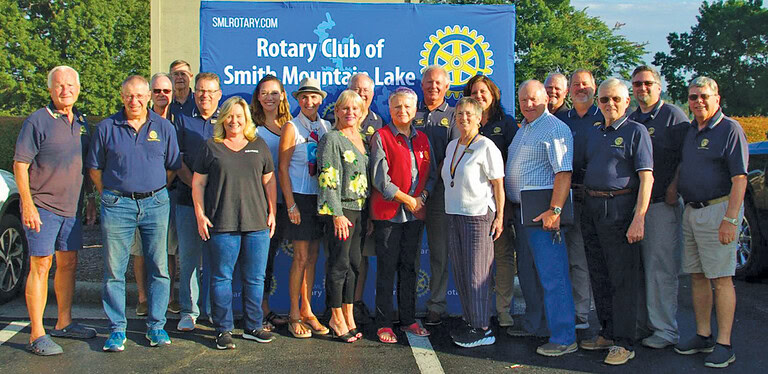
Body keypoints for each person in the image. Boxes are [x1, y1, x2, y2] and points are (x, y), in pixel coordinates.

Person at [86, 75, 180, 352]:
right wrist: (110, 194)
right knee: (114, 270)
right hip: (118, 205)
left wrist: (153, 188)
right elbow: (94, 168)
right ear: (121, 96)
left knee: (160, 268)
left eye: (140, 96)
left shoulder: (163, 127)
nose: (134, 101)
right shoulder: (106, 127)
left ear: (149, 97)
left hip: (155, 204)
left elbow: (173, 166)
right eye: (129, 95)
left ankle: (156, 326)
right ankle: (117, 330)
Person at [13, 65, 97, 356]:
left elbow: (85, 167)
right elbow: (20, 165)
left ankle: (64, 322)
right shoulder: (36, 121)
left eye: (71, 85)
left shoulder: (82, 123)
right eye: (60, 86)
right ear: (50, 89)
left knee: (69, 264)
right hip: (43, 208)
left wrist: (89, 200)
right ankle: (37, 333)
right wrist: (27, 204)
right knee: (41, 265)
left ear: (78, 88)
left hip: (71, 210)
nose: (66, 90)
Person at [577, 78, 653, 365]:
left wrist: (639, 217)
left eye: (616, 99)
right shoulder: (596, 133)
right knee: (599, 274)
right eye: (605, 100)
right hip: (592, 207)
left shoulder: (636, 131)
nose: (610, 104)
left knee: (623, 279)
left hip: (620, 209)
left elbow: (647, 178)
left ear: (626, 102)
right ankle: (607, 332)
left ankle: (624, 342)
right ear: (599, 103)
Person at [191, 96, 277, 350]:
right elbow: (198, 183)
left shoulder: (258, 145)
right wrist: (200, 213)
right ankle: (223, 330)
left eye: (239, 116)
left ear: (246, 119)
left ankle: (252, 326)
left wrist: (272, 212)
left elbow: (269, 181)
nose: (234, 121)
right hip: (222, 223)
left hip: (257, 224)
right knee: (221, 278)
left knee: (254, 279)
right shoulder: (211, 146)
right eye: (230, 116)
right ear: (223, 119)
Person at [673, 77, 747, 369]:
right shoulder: (691, 130)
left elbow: (739, 179)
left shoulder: (730, 130)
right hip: (691, 211)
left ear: (717, 97)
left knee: (721, 278)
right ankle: (703, 335)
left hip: (718, 212)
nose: (698, 102)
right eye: (692, 97)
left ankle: (724, 343)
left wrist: (731, 219)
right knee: (697, 275)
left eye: (703, 96)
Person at [505, 80, 578, 356]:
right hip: (523, 213)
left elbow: (563, 173)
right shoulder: (525, 128)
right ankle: (535, 324)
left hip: (543, 213)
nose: (528, 104)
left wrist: (555, 210)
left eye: (533, 99)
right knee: (528, 274)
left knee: (553, 276)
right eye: (523, 100)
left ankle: (563, 337)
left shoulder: (555, 128)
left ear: (546, 98)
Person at [628, 65, 690, 349]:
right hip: (633, 207)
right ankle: (642, 326)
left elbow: (685, 157)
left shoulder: (673, 117)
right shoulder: (631, 118)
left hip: (660, 205)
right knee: (638, 270)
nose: (642, 88)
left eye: (647, 83)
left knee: (660, 268)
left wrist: (674, 186)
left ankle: (666, 330)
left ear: (659, 86)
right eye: (638, 84)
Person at [370, 87, 434, 344]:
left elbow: (431, 175)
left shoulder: (423, 139)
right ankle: (384, 323)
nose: (402, 111)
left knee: (410, 268)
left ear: (415, 109)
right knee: (386, 269)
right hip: (389, 214)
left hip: (415, 215)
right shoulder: (381, 137)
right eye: (397, 107)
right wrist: (408, 200)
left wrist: (423, 199)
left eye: (407, 107)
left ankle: (408, 319)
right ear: (390, 109)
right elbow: (380, 180)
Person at [442, 97, 505, 347]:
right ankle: (470, 321)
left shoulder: (486, 146)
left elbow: (497, 184)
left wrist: (500, 216)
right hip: (454, 214)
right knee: (460, 271)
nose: (464, 118)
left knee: (477, 274)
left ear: (479, 118)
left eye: (469, 114)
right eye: (459, 114)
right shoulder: (452, 146)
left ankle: (483, 329)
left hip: (478, 216)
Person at [463, 74, 517, 328]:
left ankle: (503, 308)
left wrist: (502, 209)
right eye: (474, 93)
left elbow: (512, 163)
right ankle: (477, 308)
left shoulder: (505, 124)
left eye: (483, 92)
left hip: (498, 202)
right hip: (472, 205)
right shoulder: (464, 123)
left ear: (493, 94)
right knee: (476, 260)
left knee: (503, 254)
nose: (479, 96)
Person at [316, 90, 370, 343]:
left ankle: (349, 312)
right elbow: (327, 178)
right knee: (338, 265)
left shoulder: (362, 139)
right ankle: (335, 316)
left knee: (355, 265)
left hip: (361, 210)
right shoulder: (331, 139)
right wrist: (336, 214)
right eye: (345, 108)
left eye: (355, 109)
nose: (350, 113)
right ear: (336, 111)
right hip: (341, 210)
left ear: (362, 113)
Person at [279, 77, 331, 338]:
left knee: (312, 258)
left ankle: (308, 310)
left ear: (320, 100)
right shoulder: (291, 127)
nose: (309, 102)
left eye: (313, 97)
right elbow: (282, 169)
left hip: (319, 199)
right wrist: (290, 205)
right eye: (304, 97)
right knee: (299, 258)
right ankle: (293, 315)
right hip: (299, 198)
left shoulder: (326, 126)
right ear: (298, 100)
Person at [174, 72, 223, 332]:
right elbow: (177, 160)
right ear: (195, 94)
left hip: (219, 203)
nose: (205, 96)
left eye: (210, 91)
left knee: (217, 260)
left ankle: (216, 311)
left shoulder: (226, 121)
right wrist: (196, 186)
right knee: (190, 258)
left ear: (219, 95)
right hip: (186, 199)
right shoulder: (182, 121)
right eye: (201, 91)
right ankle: (189, 311)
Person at [131, 72, 180, 316]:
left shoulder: (176, 120)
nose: (162, 95)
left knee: (168, 249)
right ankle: (142, 297)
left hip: (166, 194)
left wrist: (161, 185)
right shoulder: (139, 119)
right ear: (150, 94)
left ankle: (169, 297)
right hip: (137, 197)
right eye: (158, 91)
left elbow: (174, 162)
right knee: (140, 250)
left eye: (166, 91)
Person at [556, 69, 602, 331]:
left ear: (594, 86)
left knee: (594, 257)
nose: (581, 88)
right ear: (569, 90)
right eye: (576, 84)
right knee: (574, 257)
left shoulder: (605, 116)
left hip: (600, 196)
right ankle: (579, 312)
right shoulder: (563, 120)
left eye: (585, 84)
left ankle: (587, 310)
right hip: (569, 196)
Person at [415, 65, 458, 326]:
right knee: (405, 251)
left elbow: (452, 154)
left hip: (441, 194)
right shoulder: (411, 110)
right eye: (429, 82)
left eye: (438, 83)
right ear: (422, 85)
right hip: (409, 195)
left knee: (439, 252)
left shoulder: (453, 115)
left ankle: (437, 304)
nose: (433, 87)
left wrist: (429, 186)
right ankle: (405, 303)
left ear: (446, 87)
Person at [251, 75, 292, 331]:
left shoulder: (291, 125)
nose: (269, 97)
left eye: (274, 93)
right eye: (264, 93)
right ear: (258, 97)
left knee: (278, 257)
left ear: (283, 96)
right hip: (260, 203)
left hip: (287, 201)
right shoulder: (251, 128)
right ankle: (260, 310)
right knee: (261, 260)